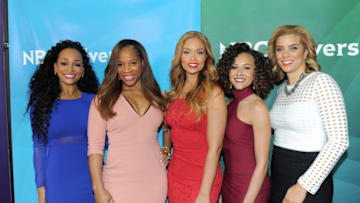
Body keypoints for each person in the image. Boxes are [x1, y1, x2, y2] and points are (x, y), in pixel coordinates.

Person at [268, 25, 349, 203]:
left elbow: (339, 141)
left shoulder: (322, 82)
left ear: (306, 52)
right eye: (280, 49)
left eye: (293, 48)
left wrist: (302, 186)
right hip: (280, 175)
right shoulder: (282, 90)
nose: (285, 54)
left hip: (308, 179)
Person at [87, 39, 168, 203]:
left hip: (154, 182)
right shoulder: (103, 100)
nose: (127, 70)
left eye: (132, 63)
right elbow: (95, 148)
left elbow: (169, 127)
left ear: (142, 63)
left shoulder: (158, 96)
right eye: (120, 64)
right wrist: (98, 188)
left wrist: (166, 147)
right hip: (116, 184)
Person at [27, 40, 99, 203]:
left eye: (76, 64)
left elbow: (107, 141)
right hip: (57, 180)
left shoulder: (95, 103)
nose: (70, 69)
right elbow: (38, 148)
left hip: (91, 178)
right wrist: (41, 191)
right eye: (64, 63)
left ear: (83, 70)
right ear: (54, 68)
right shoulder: (41, 105)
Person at [164, 31, 227, 203]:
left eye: (199, 52)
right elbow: (169, 126)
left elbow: (216, 148)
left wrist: (205, 194)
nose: (193, 58)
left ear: (206, 57)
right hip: (175, 174)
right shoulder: (175, 92)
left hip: (202, 178)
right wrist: (166, 148)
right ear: (180, 56)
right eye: (187, 52)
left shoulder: (213, 93)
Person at [217, 43, 273, 203]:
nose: (239, 73)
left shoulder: (257, 107)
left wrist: (248, 201)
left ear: (256, 73)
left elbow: (262, 164)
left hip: (252, 190)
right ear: (227, 71)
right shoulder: (228, 105)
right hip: (229, 186)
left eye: (246, 68)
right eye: (234, 67)